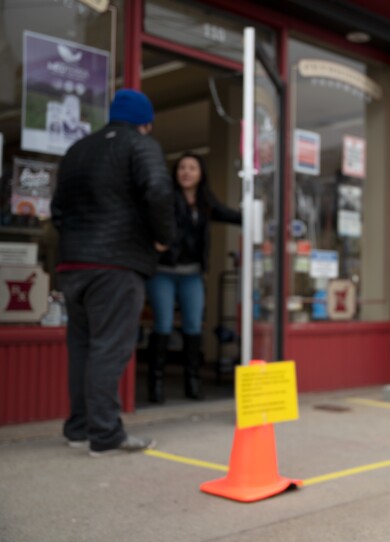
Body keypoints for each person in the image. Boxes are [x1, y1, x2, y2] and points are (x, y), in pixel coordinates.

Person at [52, 89, 174, 457]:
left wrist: (76, 241)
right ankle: (104, 435)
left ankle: (78, 428)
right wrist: (163, 238)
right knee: (109, 348)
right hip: (115, 265)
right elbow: (157, 189)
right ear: (146, 122)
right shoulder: (139, 144)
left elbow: (57, 209)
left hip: (73, 265)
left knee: (82, 348)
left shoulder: (77, 150)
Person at [146, 152, 241, 403]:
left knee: (193, 326)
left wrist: (257, 216)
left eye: (192, 168)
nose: (186, 172)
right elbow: (146, 218)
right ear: (175, 173)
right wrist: (154, 243)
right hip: (163, 272)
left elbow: (230, 215)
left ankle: (193, 382)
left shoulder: (205, 202)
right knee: (163, 325)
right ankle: (155, 385)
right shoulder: (166, 197)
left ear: (201, 174)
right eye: (182, 167)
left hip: (192, 274)